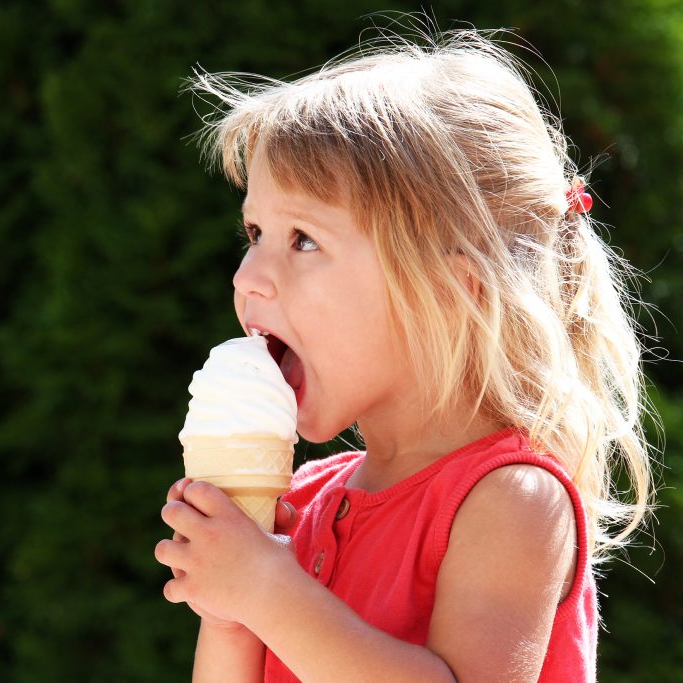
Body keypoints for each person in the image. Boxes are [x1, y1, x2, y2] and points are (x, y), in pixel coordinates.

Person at [154, 28, 656, 683]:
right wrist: (228, 612)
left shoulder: (512, 500)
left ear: (450, 291)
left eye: (302, 238)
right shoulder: (299, 501)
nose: (247, 275)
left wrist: (268, 593)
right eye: (254, 232)